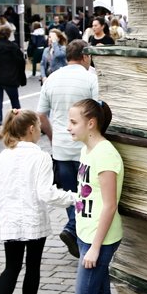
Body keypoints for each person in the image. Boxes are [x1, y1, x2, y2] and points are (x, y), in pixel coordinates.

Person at [0, 110, 79, 294]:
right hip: (33, 219)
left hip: (11, 220)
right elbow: (45, 193)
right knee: (32, 267)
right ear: (32, 129)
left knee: (11, 267)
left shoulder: (5, 155)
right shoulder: (41, 157)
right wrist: (74, 198)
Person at [64, 98, 136, 294]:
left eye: (73, 122)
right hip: (86, 234)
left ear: (90, 123)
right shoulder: (88, 150)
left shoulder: (106, 155)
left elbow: (109, 205)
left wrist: (94, 248)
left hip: (101, 240)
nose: (68, 127)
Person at [38, 40, 99, 256]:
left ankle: (73, 228)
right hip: (85, 147)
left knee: (69, 193)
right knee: (87, 192)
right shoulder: (91, 78)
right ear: (85, 56)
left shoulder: (52, 78)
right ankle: (75, 231)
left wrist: (53, 136)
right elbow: (99, 110)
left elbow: (41, 115)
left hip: (61, 148)